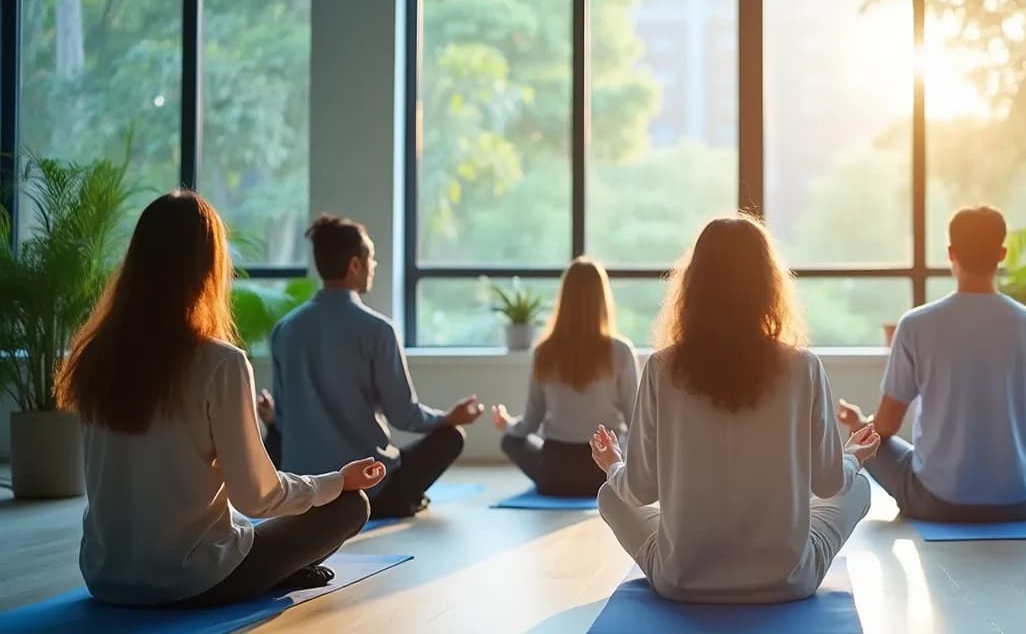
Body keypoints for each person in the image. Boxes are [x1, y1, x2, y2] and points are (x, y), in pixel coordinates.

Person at [55, 191, 385, 607]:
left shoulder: (93, 356)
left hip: (105, 578)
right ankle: (275, 572)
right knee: (349, 506)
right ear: (209, 267)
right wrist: (338, 481)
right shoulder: (220, 363)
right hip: (193, 579)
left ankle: (276, 568)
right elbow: (258, 497)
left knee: (249, 526)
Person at [591, 217, 881, 604]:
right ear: (768, 286)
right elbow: (829, 485)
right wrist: (852, 457)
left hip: (682, 581)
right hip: (788, 581)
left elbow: (639, 491)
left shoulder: (662, 368)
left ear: (693, 286)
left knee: (611, 494)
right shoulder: (803, 367)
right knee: (857, 486)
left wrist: (612, 464)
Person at [835, 205, 1026, 523]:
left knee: (868, 440)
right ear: (1002, 254)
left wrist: (861, 423)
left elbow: (886, 426)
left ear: (951, 253)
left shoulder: (916, 324)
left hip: (933, 502)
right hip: (1022, 503)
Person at [269, 215, 484, 519]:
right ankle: (391, 502)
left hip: (306, 489)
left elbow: (282, 418)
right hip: (371, 487)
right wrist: (451, 417)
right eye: (371, 257)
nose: (375, 266)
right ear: (355, 265)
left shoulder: (285, 329)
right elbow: (404, 415)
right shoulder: (378, 330)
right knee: (452, 436)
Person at [492, 257, 638, 497]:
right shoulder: (621, 350)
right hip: (604, 473)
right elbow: (635, 420)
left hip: (554, 474)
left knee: (510, 441)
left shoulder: (544, 352)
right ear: (603, 299)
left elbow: (529, 423)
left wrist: (506, 423)